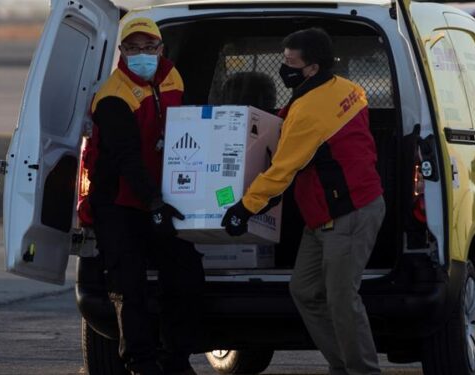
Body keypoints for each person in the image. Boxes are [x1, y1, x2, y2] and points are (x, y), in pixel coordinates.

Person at [221, 28, 385, 375]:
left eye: (290, 63)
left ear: (311, 68)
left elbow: (282, 170)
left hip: (349, 213)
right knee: (305, 290)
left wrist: (244, 208)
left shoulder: (310, 111)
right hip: (324, 214)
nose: (284, 69)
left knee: (342, 298)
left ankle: (362, 371)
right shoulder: (347, 89)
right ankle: (342, 365)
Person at [80, 15, 204, 375]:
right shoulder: (113, 96)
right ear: (122, 51)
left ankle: (176, 359)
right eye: (132, 48)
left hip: (160, 198)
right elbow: (126, 158)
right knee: (127, 285)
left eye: (148, 47)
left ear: (161, 49)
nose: (141, 55)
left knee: (186, 275)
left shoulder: (173, 78)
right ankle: (141, 363)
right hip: (119, 202)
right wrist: (153, 203)